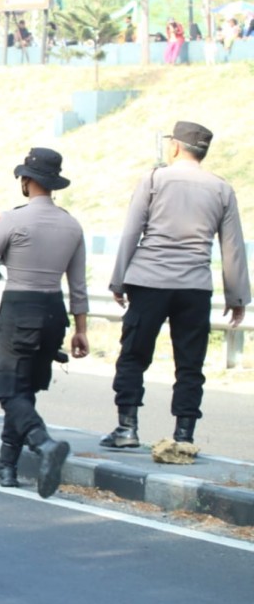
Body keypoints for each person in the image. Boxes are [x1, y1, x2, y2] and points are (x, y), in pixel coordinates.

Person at [102, 121, 249, 450]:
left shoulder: (154, 179)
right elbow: (232, 246)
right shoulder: (221, 188)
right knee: (190, 364)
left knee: (134, 357)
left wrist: (118, 279)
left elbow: (131, 231)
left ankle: (126, 428)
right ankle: (184, 436)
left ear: (175, 147)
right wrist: (237, 295)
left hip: (148, 282)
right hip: (194, 287)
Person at [0, 148, 89, 498]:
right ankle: (6, 466)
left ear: (27, 181)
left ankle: (42, 443)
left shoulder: (12, 220)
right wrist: (81, 329)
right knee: (24, 389)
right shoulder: (72, 225)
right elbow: (78, 285)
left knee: (6, 388)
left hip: (19, 310)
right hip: (54, 313)